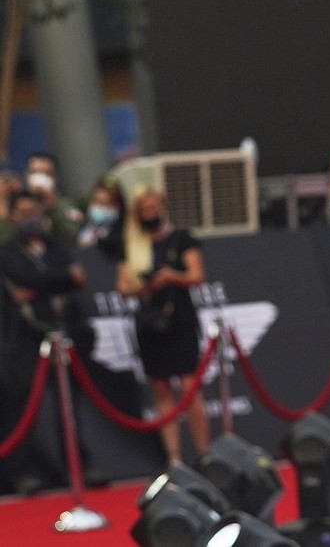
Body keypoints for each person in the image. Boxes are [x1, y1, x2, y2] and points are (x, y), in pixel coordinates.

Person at [0, 191, 105, 493]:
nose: (29, 217)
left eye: (33, 210)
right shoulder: (7, 251)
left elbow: (77, 277)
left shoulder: (55, 246)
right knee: (20, 406)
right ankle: (21, 474)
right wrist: (59, 279)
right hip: (26, 337)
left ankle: (77, 466)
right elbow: (23, 282)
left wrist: (39, 283)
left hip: (62, 331)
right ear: (12, 216)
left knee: (68, 403)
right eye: (22, 212)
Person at [115, 188, 209, 465]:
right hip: (150, 322)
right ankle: (174, 457)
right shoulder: (133, 244)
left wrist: (171, 277)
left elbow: (196, 275)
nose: (150, 212)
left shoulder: (181, 239)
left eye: (154, 206)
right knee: (161, 389)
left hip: (179, 317)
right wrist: (143, 285)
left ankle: (204, 454)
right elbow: (123, 286)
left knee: (189, 388)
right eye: (144, 209)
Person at [76, 176, 126, 260]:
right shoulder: (83, 228)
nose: (98, 208)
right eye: (95, 202)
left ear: (118, 207)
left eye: (105, 204)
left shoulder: (123, 233)